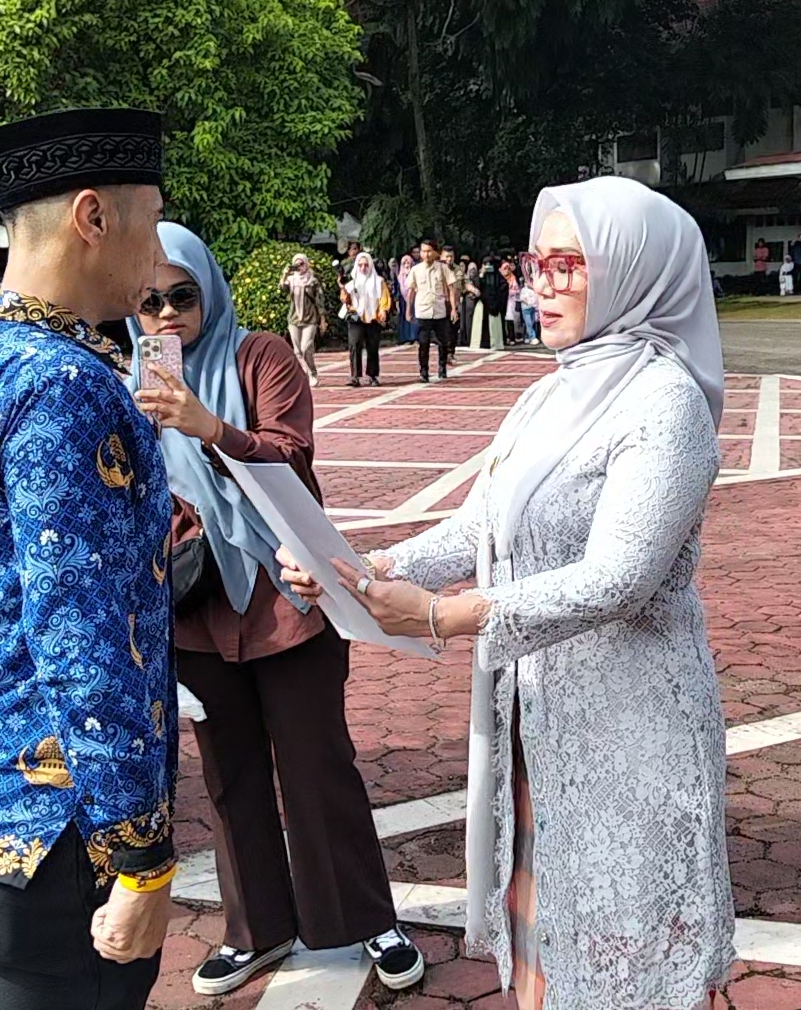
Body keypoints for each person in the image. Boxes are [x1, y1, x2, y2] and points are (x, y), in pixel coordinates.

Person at [287, 175, 735, 1009]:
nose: (541, 286)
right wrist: (363, 569)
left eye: (569, 265)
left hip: (628, 728)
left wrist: (447, 618)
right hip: (535, 718)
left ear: (634, 269)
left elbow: (621, 577)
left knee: (628, 952)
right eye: (537, 264)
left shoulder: (665, 401)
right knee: (544, 939)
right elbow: (476, 528)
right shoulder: (550, 392)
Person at [0, 107, 176, 1009]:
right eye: (151, 223)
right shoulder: (64, 383)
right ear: (92, 217)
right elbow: (82, 636)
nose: (158, 255)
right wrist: (140, 851)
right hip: (55, 827)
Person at [131, 223, 423, 997]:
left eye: (182, 295)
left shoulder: (258, 356)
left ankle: (366, 918)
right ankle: (255, 930)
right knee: (229, 777)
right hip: (196, 604)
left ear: (209, 290)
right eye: (149, 302)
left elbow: (289, 453)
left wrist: (207, 427)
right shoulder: (132, 382)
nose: (167, 315)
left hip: (285, 590)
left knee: (316, 765)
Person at [410, 239, 456, 382]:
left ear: (436, 253)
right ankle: (423, 371)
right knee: (423, 343)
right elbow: (411, 291)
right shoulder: (416, 270)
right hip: (423, 310)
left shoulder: (443, 268)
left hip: (439, 310)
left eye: (429, 251)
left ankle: (442, 367)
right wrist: (408, 310)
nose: (426, 254)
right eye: (424, 251)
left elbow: (451, 289)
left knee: (443, 342)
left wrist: (454, 309)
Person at [344, 252, 386, 388]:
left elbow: (384, 298)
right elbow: (344, 298)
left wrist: (383, 310)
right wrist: (343, 291)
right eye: (360, 265)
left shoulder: (378, 281)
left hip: (373, 318)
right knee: (354, 345)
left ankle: (372, 375)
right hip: (356, 317)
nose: (363, 268)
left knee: (372, 347)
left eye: (366, 265)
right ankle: (355, 376)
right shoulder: (352, 282)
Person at [281, 253, 324, 383]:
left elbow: (320, 300)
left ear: (306, 263)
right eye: (296, 264)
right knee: (297, 351)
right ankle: (305, 373)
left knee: (306, 347)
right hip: (294, 318)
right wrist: (285, 275)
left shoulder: (313, 280)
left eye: (301, 264)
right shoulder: (291, 280)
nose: (299, 267)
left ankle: (312, 372)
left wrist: (322, 318)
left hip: (310, 318)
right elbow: (282, 288)